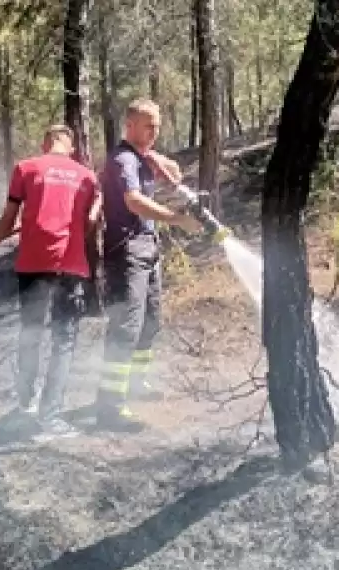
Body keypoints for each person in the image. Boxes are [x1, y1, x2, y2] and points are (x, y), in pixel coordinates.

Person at [0, 124, 101, 437]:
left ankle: (25, 405)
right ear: (70, 147)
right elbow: (89, 224)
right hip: (70, 265)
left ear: (46, 143)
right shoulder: (86, 177)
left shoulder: (26, 168)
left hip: (33, 263)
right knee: (64, 340)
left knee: (30, 333)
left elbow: (9, 221)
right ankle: (51, 417)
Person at [95, 98, 200, 432]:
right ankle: (109, 406)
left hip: (148, 249)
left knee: (150, 322)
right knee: (126, 327)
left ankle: (136, 383)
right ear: (130, 126)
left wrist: (155, 155)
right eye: (147, 125)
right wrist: (176, 219)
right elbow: (133, 200)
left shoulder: (142, 156)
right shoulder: (122, 159)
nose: (154, 131)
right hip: (127, 251)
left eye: (157, 125)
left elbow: (175, 173)